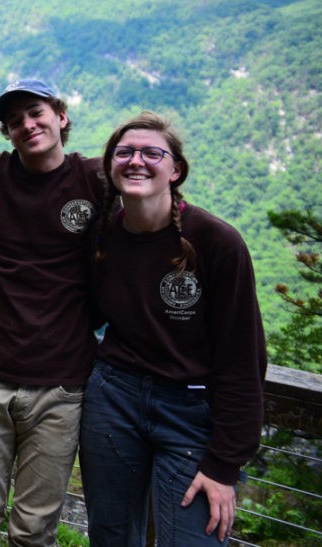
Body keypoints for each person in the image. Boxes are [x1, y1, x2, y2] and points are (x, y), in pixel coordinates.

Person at [80, 111, 266, 546]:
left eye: (151, 153)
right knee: (110, 536)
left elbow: (243, 359)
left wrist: (224, 465)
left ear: (175, 169)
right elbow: (83, 311)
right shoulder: (102, 236)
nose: (136, 161)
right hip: (113, 399)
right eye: (123, 153)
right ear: (110, 166)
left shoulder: (217, 243)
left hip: (191, 411)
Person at [0, 79, 102, 546]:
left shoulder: (94, 179)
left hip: (61, 382)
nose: (26, 125)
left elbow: (137, 244)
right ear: (7, 134)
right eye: (14, 121)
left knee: (34, 529)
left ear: (61, 115)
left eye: (35, 113)